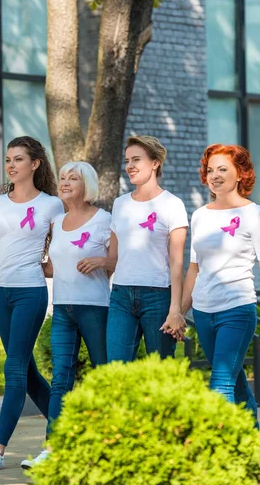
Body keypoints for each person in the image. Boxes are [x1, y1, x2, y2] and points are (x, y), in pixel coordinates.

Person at [0, 136, 63, 471]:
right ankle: (68, 431)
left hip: (29, 292)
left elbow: (62, 251)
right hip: (1, 293)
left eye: (18, 159)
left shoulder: (51, 205)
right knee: (27, 371)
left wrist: (47, 268)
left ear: (35, 164)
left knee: (13, 368)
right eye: (8, 159)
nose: (11, 165)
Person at [179, 143, 260, 425]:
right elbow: (193, 268)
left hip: (237, 308)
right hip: (203, 311)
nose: (215, 175)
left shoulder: (255, 214)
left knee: (220, 384)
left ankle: (218, 452)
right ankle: (251, 440)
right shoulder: (200, 215)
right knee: (233, 380)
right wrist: (180, 310)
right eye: (210, 170)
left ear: (240, 174)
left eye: (223, 169)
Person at [21, 161, 112, 469]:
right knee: (61, 379)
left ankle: (109, 442)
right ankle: (53, 447)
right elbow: (53, 265)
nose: (65, 182)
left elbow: (119, 262)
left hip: (96, 309)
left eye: (73, 178)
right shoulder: (57, 222)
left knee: (104, 376)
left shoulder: (104, 220)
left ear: (88, 184)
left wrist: (101, 260)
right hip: (62, 309)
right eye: (62, 178)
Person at [106, 135, 188, 362]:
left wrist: (175, 309)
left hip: (158, 296)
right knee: (116, 370)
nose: (129, 166)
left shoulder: (173, 205)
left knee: (160, 371)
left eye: (136, 160)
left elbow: (177, 262)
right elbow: (113, 258)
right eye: (127, 161)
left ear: (155, 163)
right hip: (121, 296)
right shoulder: (120, 204)